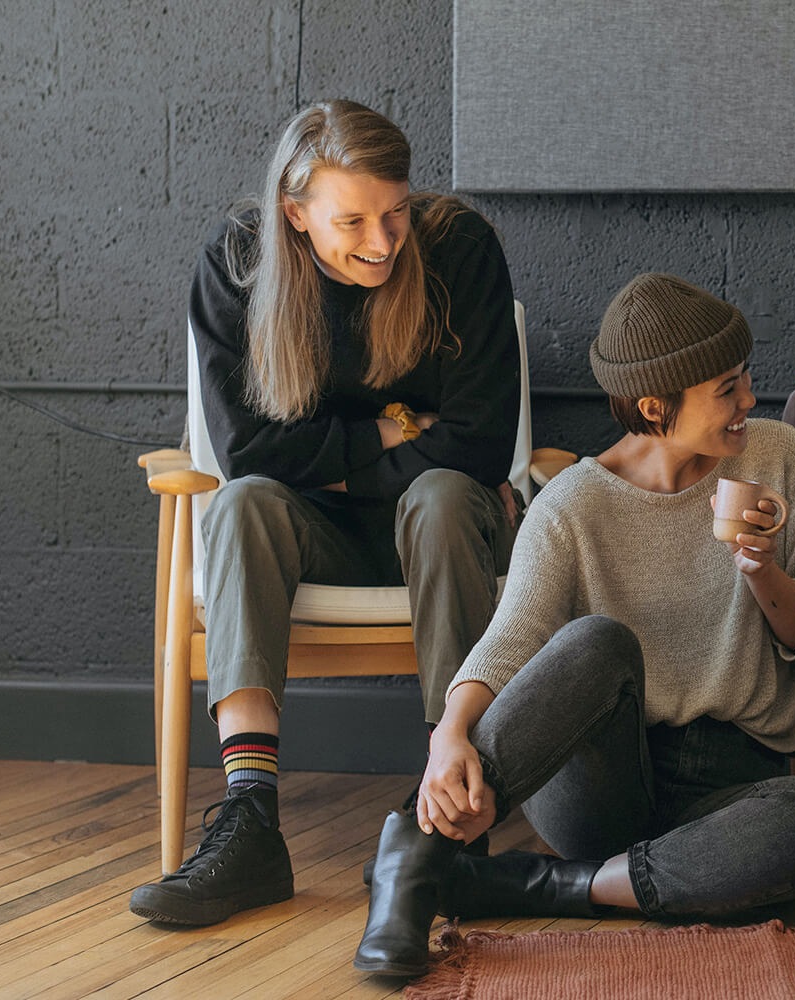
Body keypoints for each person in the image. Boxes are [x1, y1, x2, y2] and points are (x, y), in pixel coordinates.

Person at [351, 273, 795, 977]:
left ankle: (545, 886)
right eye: (725, 390)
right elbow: (512, 637)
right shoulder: (571, 506)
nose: (747, 401)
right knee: (595, 642)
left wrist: (764, 571)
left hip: (731, 789)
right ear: (656, 406)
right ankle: (418, 852)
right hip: (601, 784)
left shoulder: (776, 456)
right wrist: (449, 737)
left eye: (745, 379)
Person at [129, 100, 523, 926]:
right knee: (239, 507)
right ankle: (250, 823)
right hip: (314, 539)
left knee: (445, 494)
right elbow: (243, 454)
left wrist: (329, 461)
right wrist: (395, 429)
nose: (384, 242)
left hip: (448, 532)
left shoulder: (459, 249)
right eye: (353, 220)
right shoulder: (238, 263)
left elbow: (481, 448)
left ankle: (450, 812)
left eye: (396, 212)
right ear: (294, 212)